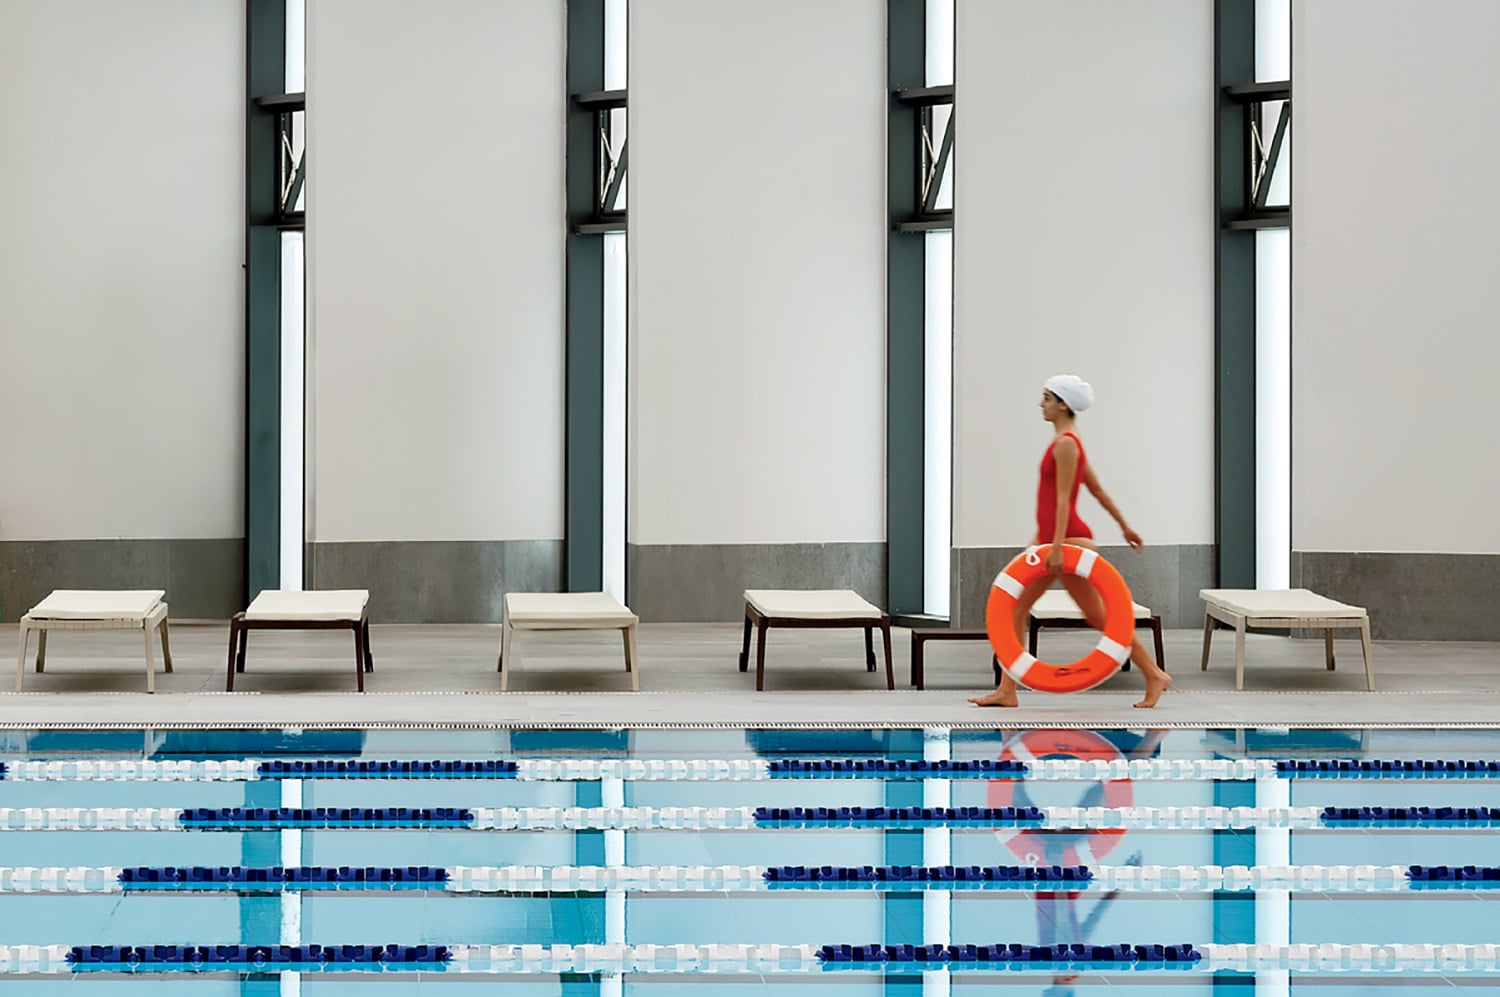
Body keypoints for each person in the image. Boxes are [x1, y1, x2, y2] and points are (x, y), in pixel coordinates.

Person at [969, 374, 1171, 709]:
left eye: (1046, 397)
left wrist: (1058, 546)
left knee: (1026, 611)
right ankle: (1007, 690)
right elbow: (1097, 489)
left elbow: (1064, 500)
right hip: (1055, 539)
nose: (1041, 404)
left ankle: (1153, 673)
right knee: (1087, 616)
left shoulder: (1065, 445)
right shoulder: (1069, 441)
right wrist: (1124, 527)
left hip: (1068, 542)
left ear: (1063, 404)